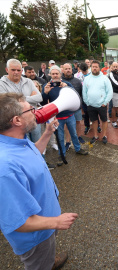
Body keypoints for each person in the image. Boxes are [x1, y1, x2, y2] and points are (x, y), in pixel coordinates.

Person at [0, 92, 78, 270]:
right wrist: (56, 222)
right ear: (17, 121)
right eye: (31, 110)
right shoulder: (4, 167)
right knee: (39, 263)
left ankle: (49, 259)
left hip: (45, 222)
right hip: (36, 237)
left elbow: (31, 155)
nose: (36, 112)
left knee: (47, 254)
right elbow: (17, 222)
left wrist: (47, 133)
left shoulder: (16, 139)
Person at [42, 65, 88, 165]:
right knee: (60, 137)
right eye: (53, 74)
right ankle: (61, 154)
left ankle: (77, 148)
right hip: (57, 117)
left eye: (56, 73)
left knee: (74, 134)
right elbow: (43, 102)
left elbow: (74, 95)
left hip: (69, 114)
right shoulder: (47, 86)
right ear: (50, 74)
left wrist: (67, 87)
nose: (55, 75)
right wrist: (45, 93)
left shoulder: (66, 83)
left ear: (60, 74)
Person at [83, 60, 113, 144]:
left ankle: (104, 136)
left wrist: (105, 102)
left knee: (104, 120)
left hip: (102, 105)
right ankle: (95, 135)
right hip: (91, 105)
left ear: (99, 68)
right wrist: (87, 102)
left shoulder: (104, 78)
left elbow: (110, 91)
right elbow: (84, 92)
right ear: (91, 68)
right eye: (93, 67)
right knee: (94, 121)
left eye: (96, 67)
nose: (94, 68)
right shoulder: (87, 79)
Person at [62, 63, 85, 149]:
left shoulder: (77, 81)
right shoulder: (60, 81)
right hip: (65, 108)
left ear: (72, 70)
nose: (68, 70)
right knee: (67, 125)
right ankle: (68, 141)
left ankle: (79, 136)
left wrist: (81, 105)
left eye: (69, 68)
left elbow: (81, 94)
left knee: (78, 122)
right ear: (63, 70)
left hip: (77, 107)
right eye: (66, 69)